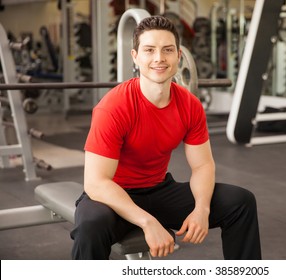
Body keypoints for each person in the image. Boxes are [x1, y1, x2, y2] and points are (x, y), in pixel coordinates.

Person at [70, 15, 261, 260]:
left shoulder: (190, 105)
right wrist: (148, 223)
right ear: (135, 57)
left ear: (178, 56)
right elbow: (96, 183)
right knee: (91, 227)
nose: (159, 58)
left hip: (158, 190)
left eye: (167, 50)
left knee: (241, 202)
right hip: (112, 196)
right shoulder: (114, 107)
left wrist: (202, 208)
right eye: (149, 50)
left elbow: (203, 165)